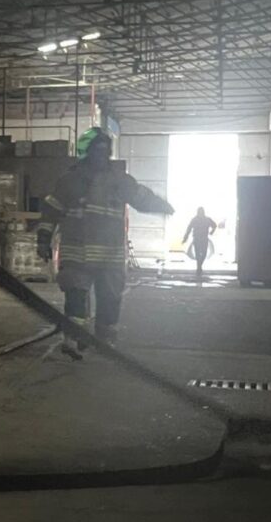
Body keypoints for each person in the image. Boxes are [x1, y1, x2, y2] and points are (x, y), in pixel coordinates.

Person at [39, 127, 173, 356]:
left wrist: (162, 206)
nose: (101, 155)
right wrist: (43, 240)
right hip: (88, 254)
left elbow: (141, 198)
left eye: (103, 151)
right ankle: (79, 340)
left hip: (96, 255)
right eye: (97, 150)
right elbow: (51, 211)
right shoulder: (74, 181)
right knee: (80, 298)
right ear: (89, 152)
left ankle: (94, 340)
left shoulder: (110, 181)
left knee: (105, 299)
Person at [182, 206, 221, 280]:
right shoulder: (196, 220)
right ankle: (199, 267)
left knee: (203, 254)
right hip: (198, 239)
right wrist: (185, 238)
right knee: (199, 254)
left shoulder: (206, 220)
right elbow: (189, 229)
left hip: (202, 239)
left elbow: (214, 225)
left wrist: (212, 232)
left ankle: (199, 266)